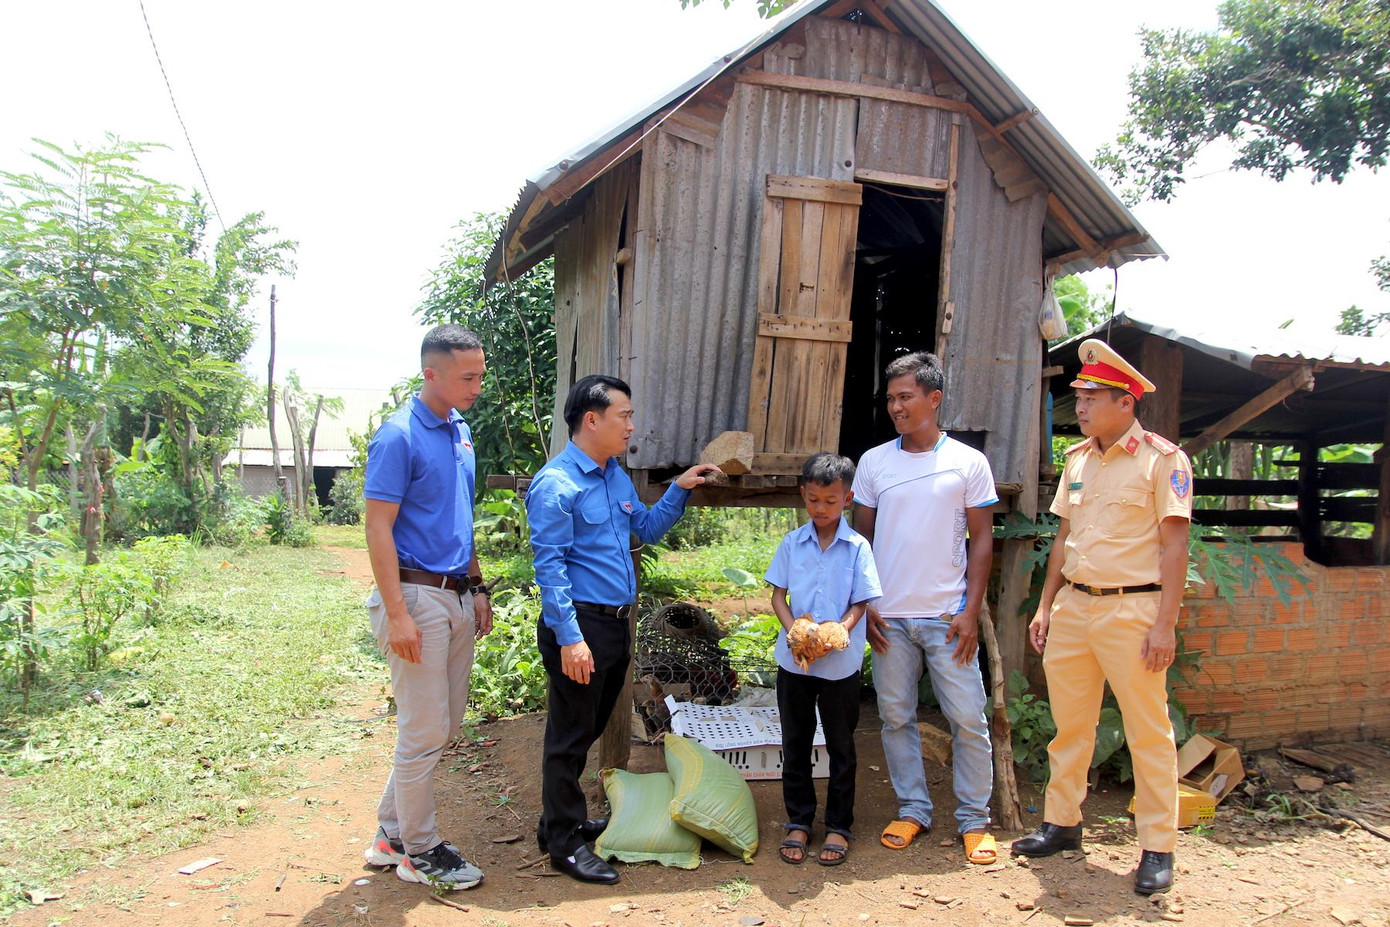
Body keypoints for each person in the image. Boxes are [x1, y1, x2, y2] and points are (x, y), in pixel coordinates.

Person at [1012, 339, 1192, 896]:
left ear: (1125, 402)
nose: (1082, 406)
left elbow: (1175, 548)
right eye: (1081, 397)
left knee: (1147, 732)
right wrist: (1046, 605)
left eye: (1092, 397)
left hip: (1132, 610)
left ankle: (1157, 846)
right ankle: (1062, 823)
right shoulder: (1079, 460)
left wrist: (1164, 625)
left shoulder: (1163, 460)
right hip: (1074, 607)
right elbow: (1063, 539)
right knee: (1070, 726)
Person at [526, 374, 720, 884]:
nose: (632, 426)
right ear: (592, 420)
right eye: (625, 415)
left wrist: (679, 489)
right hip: (580, 627)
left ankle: (558, 824)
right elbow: (550, 570)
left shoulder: (614, 476)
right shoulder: (557, 484)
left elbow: (647, 528)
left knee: (586, 728)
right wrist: (570, 639)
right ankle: (564, 844)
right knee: (569, 736)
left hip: (614, 625)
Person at [851, 351, 1000, 865]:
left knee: (968, 719)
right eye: (891, 398)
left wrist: (970, 611)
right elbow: (861, 540)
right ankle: (913, 809)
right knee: (895, 718)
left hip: (946, 617)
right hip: (888, 619)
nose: (896, 407)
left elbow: (983, 540)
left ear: (933, 399)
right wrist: (866, 603)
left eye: (906, 397)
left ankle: (974, 820)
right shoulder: (874, 463)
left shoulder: (968, 462)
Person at [361, 324, 494, 891]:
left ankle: (391, 834)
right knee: (423, 731)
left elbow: (459, 516)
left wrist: (478, 585)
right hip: (415, 596)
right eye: (467, 377)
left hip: (456, 592)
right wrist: (397, 614)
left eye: (480, 375)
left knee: (443, 724)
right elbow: (377, 528)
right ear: (430, 374)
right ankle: (420, 850)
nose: (477, 386)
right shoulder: (398, 436)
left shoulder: (460, 429)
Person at [765, 452, 881, 867]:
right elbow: (778, 596)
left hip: (840, 667)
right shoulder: (791, 543)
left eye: (830, 501)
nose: (821, 508)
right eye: (814, 500)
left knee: (841, 745)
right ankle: (799, 821)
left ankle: (838, 826)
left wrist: (839, 631)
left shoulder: (858, 547)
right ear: (803, 495)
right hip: (794, 664)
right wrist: (795, 630)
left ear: (847, 499)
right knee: (795, 743)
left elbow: (861, 601)